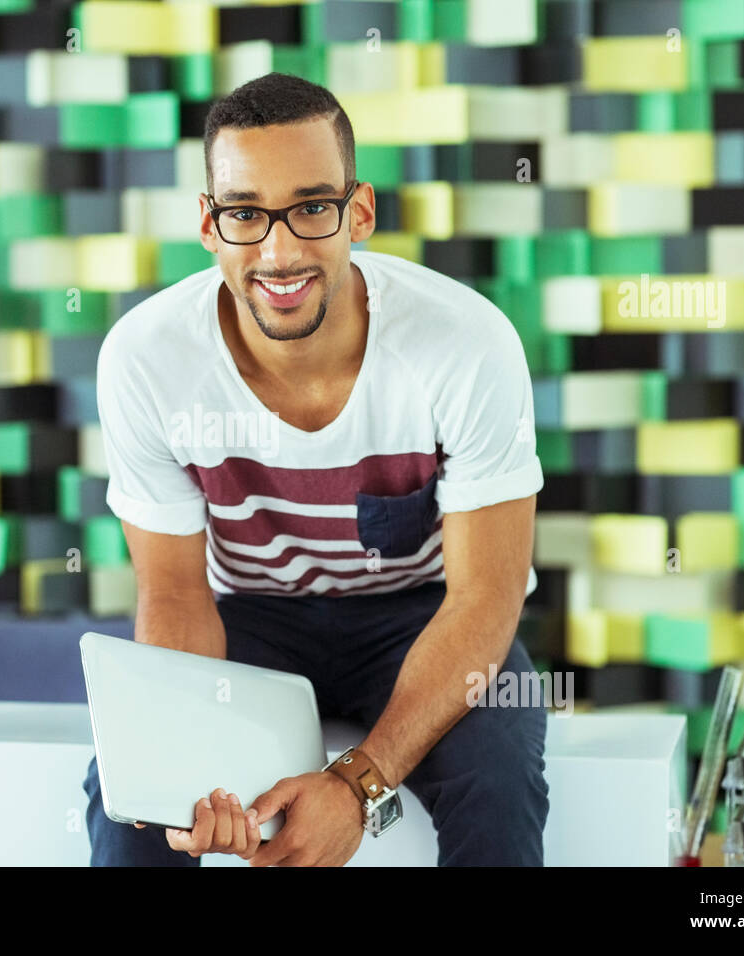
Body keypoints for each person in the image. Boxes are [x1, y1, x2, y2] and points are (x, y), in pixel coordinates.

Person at [83, 72, 550, 867]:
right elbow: (173, 594)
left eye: (310, 207)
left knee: (497, 783)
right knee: (132, 808)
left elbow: (487, 594)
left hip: (427, 616)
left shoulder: (467, 344)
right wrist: (183, 771)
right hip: (251, 620)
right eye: (245, 213)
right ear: (208, 223)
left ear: (358, 211)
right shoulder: (145, 358)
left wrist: (358, 786)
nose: (279, 249)